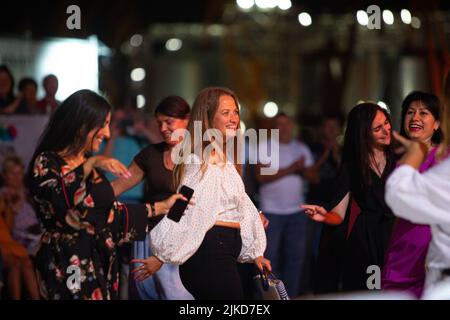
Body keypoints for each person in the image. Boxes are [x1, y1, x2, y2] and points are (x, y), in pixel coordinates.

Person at [27, 89, 186, 300]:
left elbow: (108, 214)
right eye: (103, 125)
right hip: (65, 262)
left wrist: (160, 207)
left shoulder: (90, 167)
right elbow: (62, 202)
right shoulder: (48, 162)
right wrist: (92, 162)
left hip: (98, 265)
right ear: (83, 125)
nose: (108, 133)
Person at [131, 87, 271, 300]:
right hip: (210, 252)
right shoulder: (202, 157)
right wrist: (162, 255)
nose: (233, 118)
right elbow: (185, 204)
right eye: (225, 113)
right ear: (207, 117)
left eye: (235, 112)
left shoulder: (221, 156)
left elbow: (240, 202)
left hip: (222, 250)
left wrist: (257, 254)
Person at [302, 103, 397, 292]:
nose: (386, 130)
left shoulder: (400, 160)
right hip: (366, 241)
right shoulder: (352, 168)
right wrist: (324, 216)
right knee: (370, 291)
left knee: (397, 290)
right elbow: (339, 213)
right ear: (363, 133)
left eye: (387, 123)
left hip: (396, 234)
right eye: (378, 128)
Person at [111, 95, 193, 300]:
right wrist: (87, 194)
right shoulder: (150, 154)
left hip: (183, 240)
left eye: (169, 122)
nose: (163, 128)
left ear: (187, 120)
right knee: (144, 295)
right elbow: (120, 185)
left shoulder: (200, 155)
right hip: (148, 236)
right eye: (159, 123)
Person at [385, 75, 450, 297]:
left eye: (424, 113)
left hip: (429, 247)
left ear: (438, 123)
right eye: (411, 112)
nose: (415, 117)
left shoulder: (443, 157)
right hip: (402, 242)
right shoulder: (399, 158)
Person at [254, 112, 315, 297]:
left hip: (297, 213)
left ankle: (291, 296)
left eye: (287, 124)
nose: (284, 128)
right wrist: (291, 168)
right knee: (269, 259)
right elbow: (260, 176)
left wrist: (303, 168)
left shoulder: (301, 148)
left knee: (295, 260)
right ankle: (269, 299)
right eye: (279, 124)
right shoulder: (265, 146)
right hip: (271, 212)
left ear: (292, 126)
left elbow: (314, 177)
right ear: (274, 127)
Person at [0, 156, 41, 299]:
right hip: (20, 238)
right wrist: (11, 207)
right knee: (23, 263)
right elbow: (7, 229)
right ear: (5, 175)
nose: (17, 177)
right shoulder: (4, 195)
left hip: (39, 234)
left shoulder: (29, 191)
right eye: (12, 173)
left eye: (19, 173)